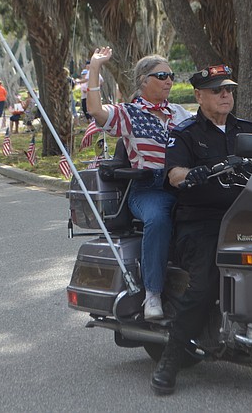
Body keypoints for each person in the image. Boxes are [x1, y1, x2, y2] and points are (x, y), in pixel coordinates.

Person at [149, 64, 252, 395]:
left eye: (229, 90)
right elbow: (174, 174)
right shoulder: (185, 134)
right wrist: (195, 173)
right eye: (216, 90)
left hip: (248, 214)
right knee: (207, 278)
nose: (226, 95)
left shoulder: (248, 129)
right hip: (203, 220)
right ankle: (171, 357)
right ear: (198, 95)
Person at [86, 46, 192, 320]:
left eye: (171, 75)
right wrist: (96, 66)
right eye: (162, 75)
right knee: (157, 219)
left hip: (184, 182)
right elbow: (96, 111)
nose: (169, 80)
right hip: (148, 187)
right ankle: (153, 294)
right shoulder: (129, 114)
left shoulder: (180, 113)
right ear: (144, 81)